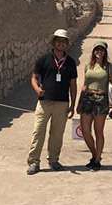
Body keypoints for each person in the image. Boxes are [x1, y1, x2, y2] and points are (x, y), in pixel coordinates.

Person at [27, 29, 78, 175]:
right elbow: (34, 77)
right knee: (38, 132)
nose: (61, 44)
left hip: (62, 103)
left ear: (66, 44)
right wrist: (37, 89)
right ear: (54, 42)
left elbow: (73, 85)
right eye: (59, 41)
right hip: (44, 102)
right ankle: (34, 162)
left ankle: (53, 160)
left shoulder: (70, 63)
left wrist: (73, 104)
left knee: (57, 134)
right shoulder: (43, 59)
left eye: (64, 41)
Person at [76, 41, 112, 171]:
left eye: (102, 50)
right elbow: (84, 85)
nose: (99, 52)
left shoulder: (109, 67)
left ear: (105, 52)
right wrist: (79, 102)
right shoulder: (88, 66)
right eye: (97, 49)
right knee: (85, 130)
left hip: (101, 99)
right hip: (87, 98)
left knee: (99, 131)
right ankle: (95, 154)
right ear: (93, 51)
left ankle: (97, 160)